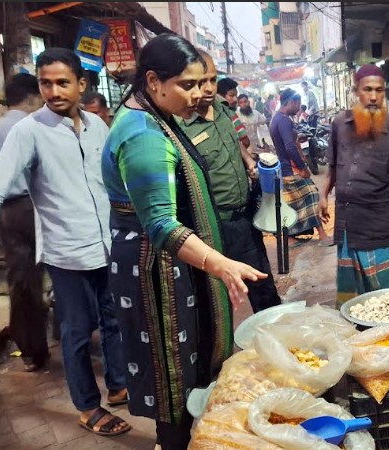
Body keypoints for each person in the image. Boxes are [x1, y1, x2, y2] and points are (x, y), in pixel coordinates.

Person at [0, 48, 131, 437]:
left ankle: (118, 384)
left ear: (81, 84)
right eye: (45, 83)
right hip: (66, 253)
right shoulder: (28, 131)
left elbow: (112, 184)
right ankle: (87, 406)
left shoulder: (99, 127)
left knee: (114, 320)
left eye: (62, 82)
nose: (53, 91)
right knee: (77, 331)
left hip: (105, 246)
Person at [102, 33, 267, 449]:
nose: (198, 94)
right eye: (187, 85)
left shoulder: (157, 114)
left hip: (176, 264)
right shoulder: (143, 135)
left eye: (201, 83)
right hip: (155, 269)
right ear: (155, 80)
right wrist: (222, 264)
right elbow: (160, 224)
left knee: (192, 362)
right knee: (171, 375)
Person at [176, 51, 281, 313]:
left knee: (263, 288)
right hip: (212, 226)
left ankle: (280, 345)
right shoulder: (181, 126)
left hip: (245, 218)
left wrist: (248, 161)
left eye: (213, 79)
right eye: (201, 82)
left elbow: (238, 145)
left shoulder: (224, 112)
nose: (209, 88)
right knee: (216, 302)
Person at [318, 64, 389, 308]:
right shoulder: (340, 124)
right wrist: (323, 195)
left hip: (379, 226)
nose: (373, 96)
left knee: (386, 301)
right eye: (368, 90)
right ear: (356, 91)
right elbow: (332, 165)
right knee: (352, 301)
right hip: (347, 225)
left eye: (379, 90)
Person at [0, 73, 48, 372]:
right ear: (32, 97)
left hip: (6, 211)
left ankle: (31, 350)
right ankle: (68, 336)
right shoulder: (36, 126)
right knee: (59, 270)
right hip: (36, 207)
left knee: (20, 280)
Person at [269, 88, 332, 248]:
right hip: (291, 169)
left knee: (292, 203)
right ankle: (322, 234)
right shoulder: (283, 120)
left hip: (285, 168)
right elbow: (290, 146)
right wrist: (302, 166)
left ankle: (290, 237)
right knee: (312, 196)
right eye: (297, 104)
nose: (299, 107)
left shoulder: (277, 118)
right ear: (291, 102)